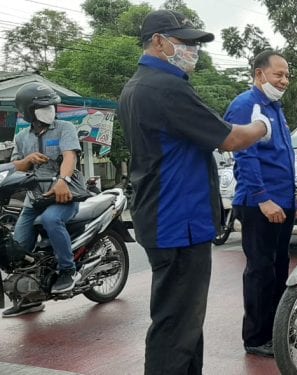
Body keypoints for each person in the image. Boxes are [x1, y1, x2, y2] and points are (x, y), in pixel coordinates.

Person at [118, 10, 272, 374]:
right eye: (185, 42)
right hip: (179, 220)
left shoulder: (135, 86)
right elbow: (231, 138)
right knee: (176, 328)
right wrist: (262, 126)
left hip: (161, 214)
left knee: (183, 323)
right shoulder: (166, 88)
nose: (192, 51)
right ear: (158, 41)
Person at [223, 50, 297, 358]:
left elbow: (282, 157)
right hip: (259, 205)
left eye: (287, 76)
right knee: (260, 271)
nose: (284, 81)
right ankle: (256, 337)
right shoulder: (246, 105)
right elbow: (245, 155)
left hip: (281, 202)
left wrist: (291, 195)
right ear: (259, 74)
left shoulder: (275, 108)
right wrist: (263, 198)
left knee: (279, 268)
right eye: (278, 74)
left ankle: (276, 329)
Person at [2, 82, 82, 318]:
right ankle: (29, 298)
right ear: (28, 111)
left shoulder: (65, 128)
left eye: (51, 105)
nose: (50, 110)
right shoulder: (21, 137)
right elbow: (14, 166)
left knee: (50, 220)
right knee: (17, 249)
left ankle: (69, 270)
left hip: (64, 195)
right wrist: (26, 161)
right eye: (43, 106)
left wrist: (63, 180)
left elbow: (70, 157)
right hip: (32, 200)